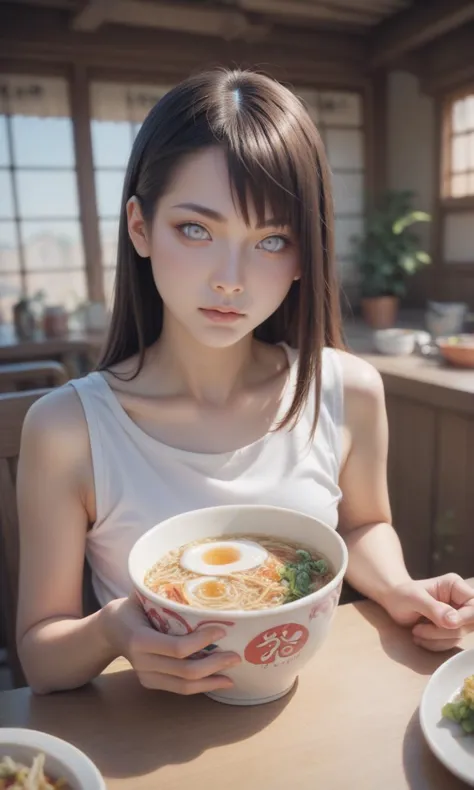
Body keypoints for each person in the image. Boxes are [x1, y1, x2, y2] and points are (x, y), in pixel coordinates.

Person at [16, 68, 474, 696]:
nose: (230, 278)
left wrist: (398, 590)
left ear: (303, 255)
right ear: (140, 227)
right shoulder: (67, 428)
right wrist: (109, 632)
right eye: (197, 229)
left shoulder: (349, 390)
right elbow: (40, 656)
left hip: (315, 714)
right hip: (144, 745)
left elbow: (363, 525)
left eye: (272, 239)